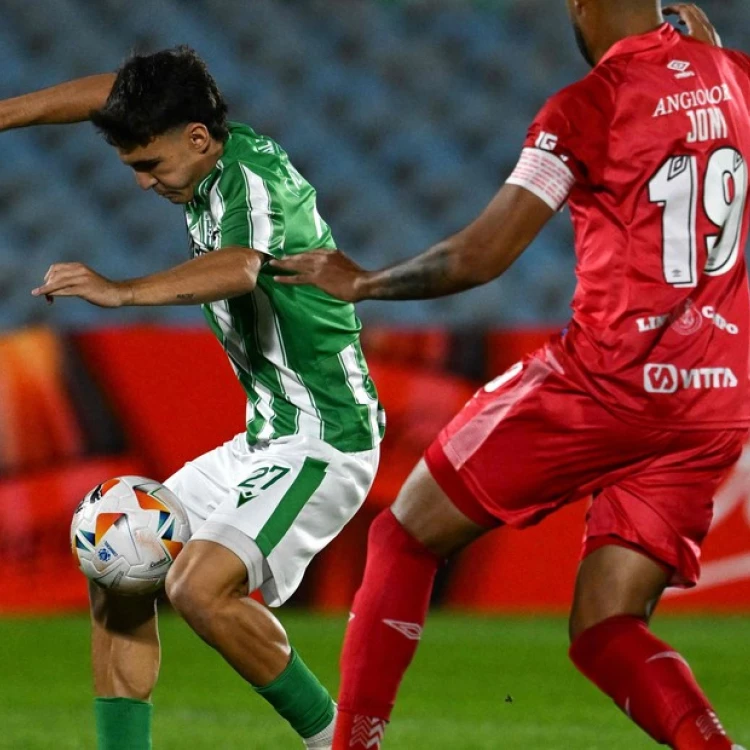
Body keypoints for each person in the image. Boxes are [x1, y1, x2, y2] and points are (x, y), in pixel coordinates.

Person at [273, 2, 749, 748]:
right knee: (606, 626)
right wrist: (706, 54)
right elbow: (703, 101)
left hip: (606, 385)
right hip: (715, 401)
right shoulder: (733, 76)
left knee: (405, 534)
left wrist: (362, 283)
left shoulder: (586, 106)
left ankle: (352, 745)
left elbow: (480, 255)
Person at [0, 47, 384, 750]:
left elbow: (240, 268)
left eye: (151, 166)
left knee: (198, 587)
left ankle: (344, 742)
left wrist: (119, 291)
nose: (145, 183)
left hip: (328, 436)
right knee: (119, 556)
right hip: (267, 436)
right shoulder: (199, 155)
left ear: (198, 139)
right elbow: (104, 91)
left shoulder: (256, 178)